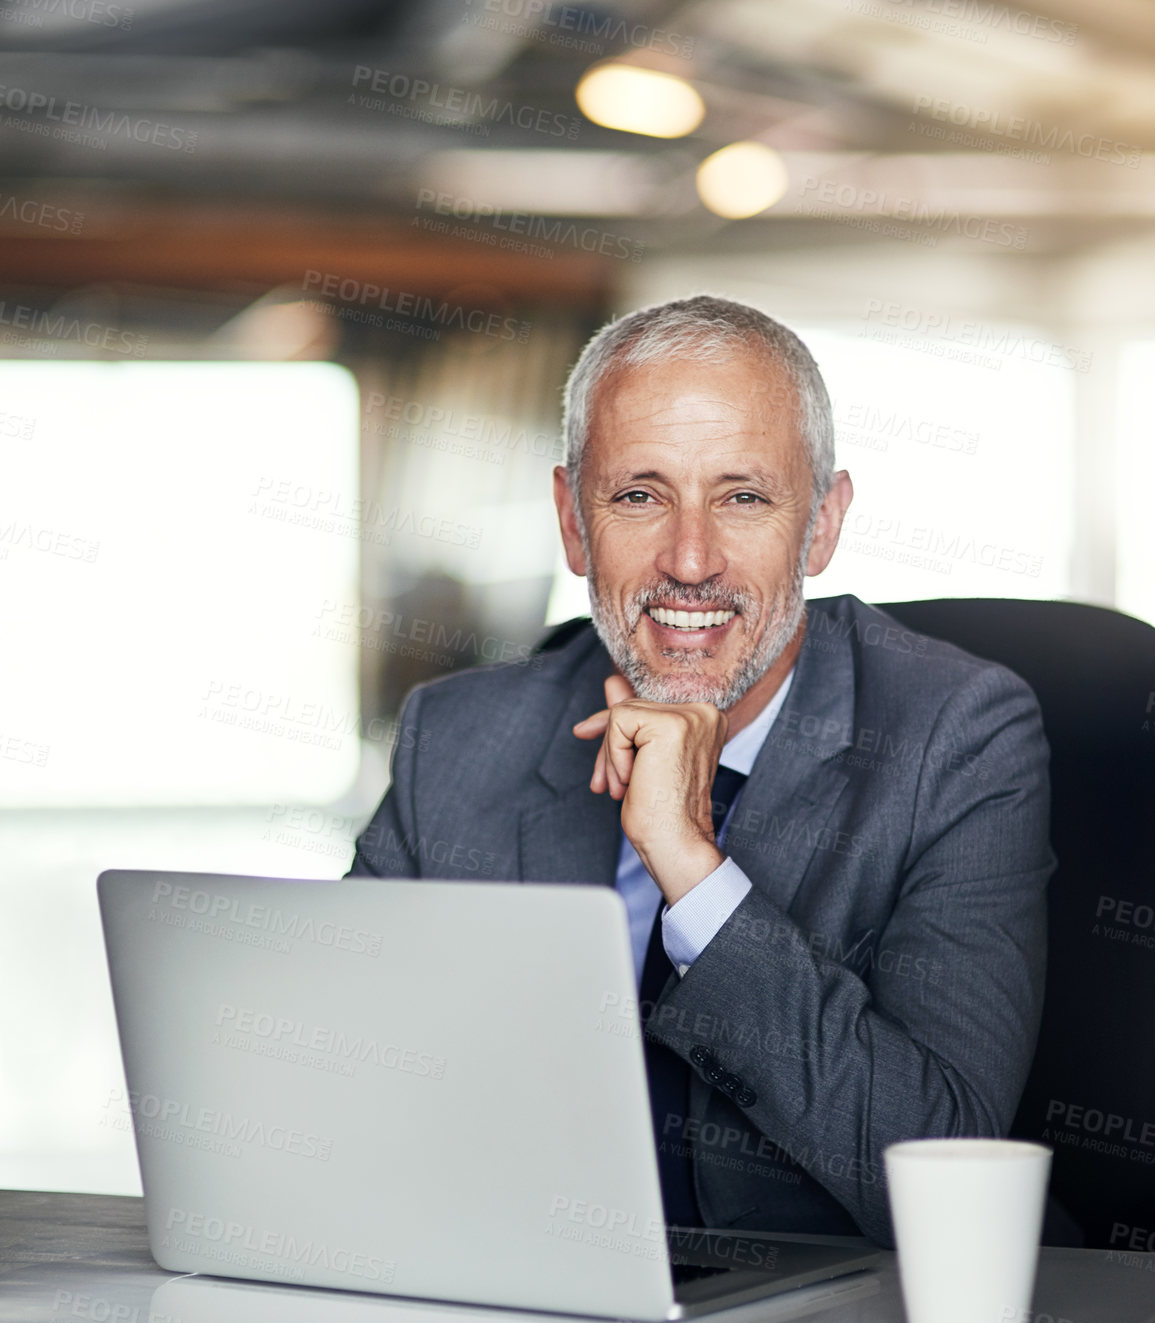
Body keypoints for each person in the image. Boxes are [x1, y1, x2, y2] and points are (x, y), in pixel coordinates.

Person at [348, 295, 1054, 1245]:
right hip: (517, 1308)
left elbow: (938, 1168)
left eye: (743, 496)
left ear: (820, 525)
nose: (689, 559)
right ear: (570, 520)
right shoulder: (462, 733)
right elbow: (344, 1090)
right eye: (639, 495)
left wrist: (693, 869)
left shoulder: (956, 736)